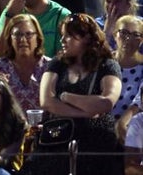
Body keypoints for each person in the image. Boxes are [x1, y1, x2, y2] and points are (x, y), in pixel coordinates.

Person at [38, 12, 123, 175]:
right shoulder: (57, 63)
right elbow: (46, 101)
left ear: (87, 38)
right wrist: (86, 111)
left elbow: (105, 103)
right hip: (59, 136)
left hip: (96, 139)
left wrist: (65, 97)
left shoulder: (108, 65)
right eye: (62, 35)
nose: (62, 40)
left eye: (69, 36)